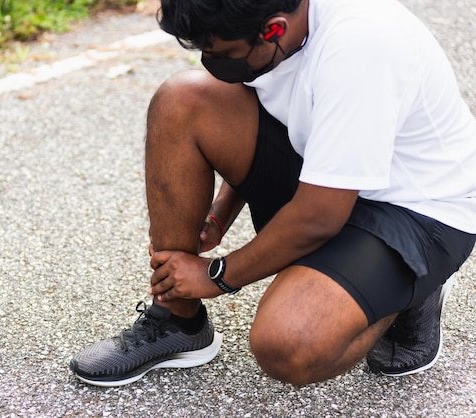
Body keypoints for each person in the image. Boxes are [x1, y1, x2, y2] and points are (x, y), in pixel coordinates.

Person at [69, 0, 476, 387]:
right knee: (182, 100)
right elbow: (281, 112)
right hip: (326, 177)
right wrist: (223, 207)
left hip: (416, 211)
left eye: (223, 52)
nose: (211, 61)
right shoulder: (274, 22)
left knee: (289, 342)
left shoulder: (360, 47)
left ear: (274, 28)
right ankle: (177, 321)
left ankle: (412, 289)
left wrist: (217, 275)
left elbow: (319, 215)